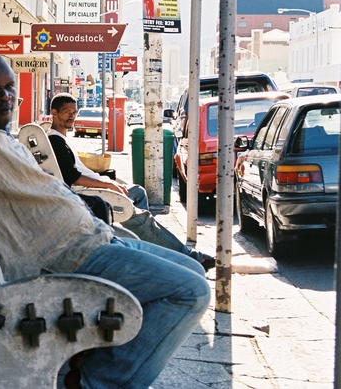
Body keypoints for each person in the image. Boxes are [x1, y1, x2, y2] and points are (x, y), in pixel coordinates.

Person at [0, 53, 210, 389]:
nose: (5, 96)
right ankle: (94, 383)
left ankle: (90, 356)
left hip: (93, 240)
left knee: (193, 270)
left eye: (9, 87)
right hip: (65, 255)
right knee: (190, 292)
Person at [48, 93, 215, 271]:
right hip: (87, 193)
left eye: (74, 112)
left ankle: (147, 241)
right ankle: (188, 257)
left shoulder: (62, 139)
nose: (72, 116)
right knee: (138, 216)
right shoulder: (55, 141)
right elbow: (73, 177)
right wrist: (109, 185)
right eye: (67, 112)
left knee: (138, 192)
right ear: (54, 113)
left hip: (92, 186)